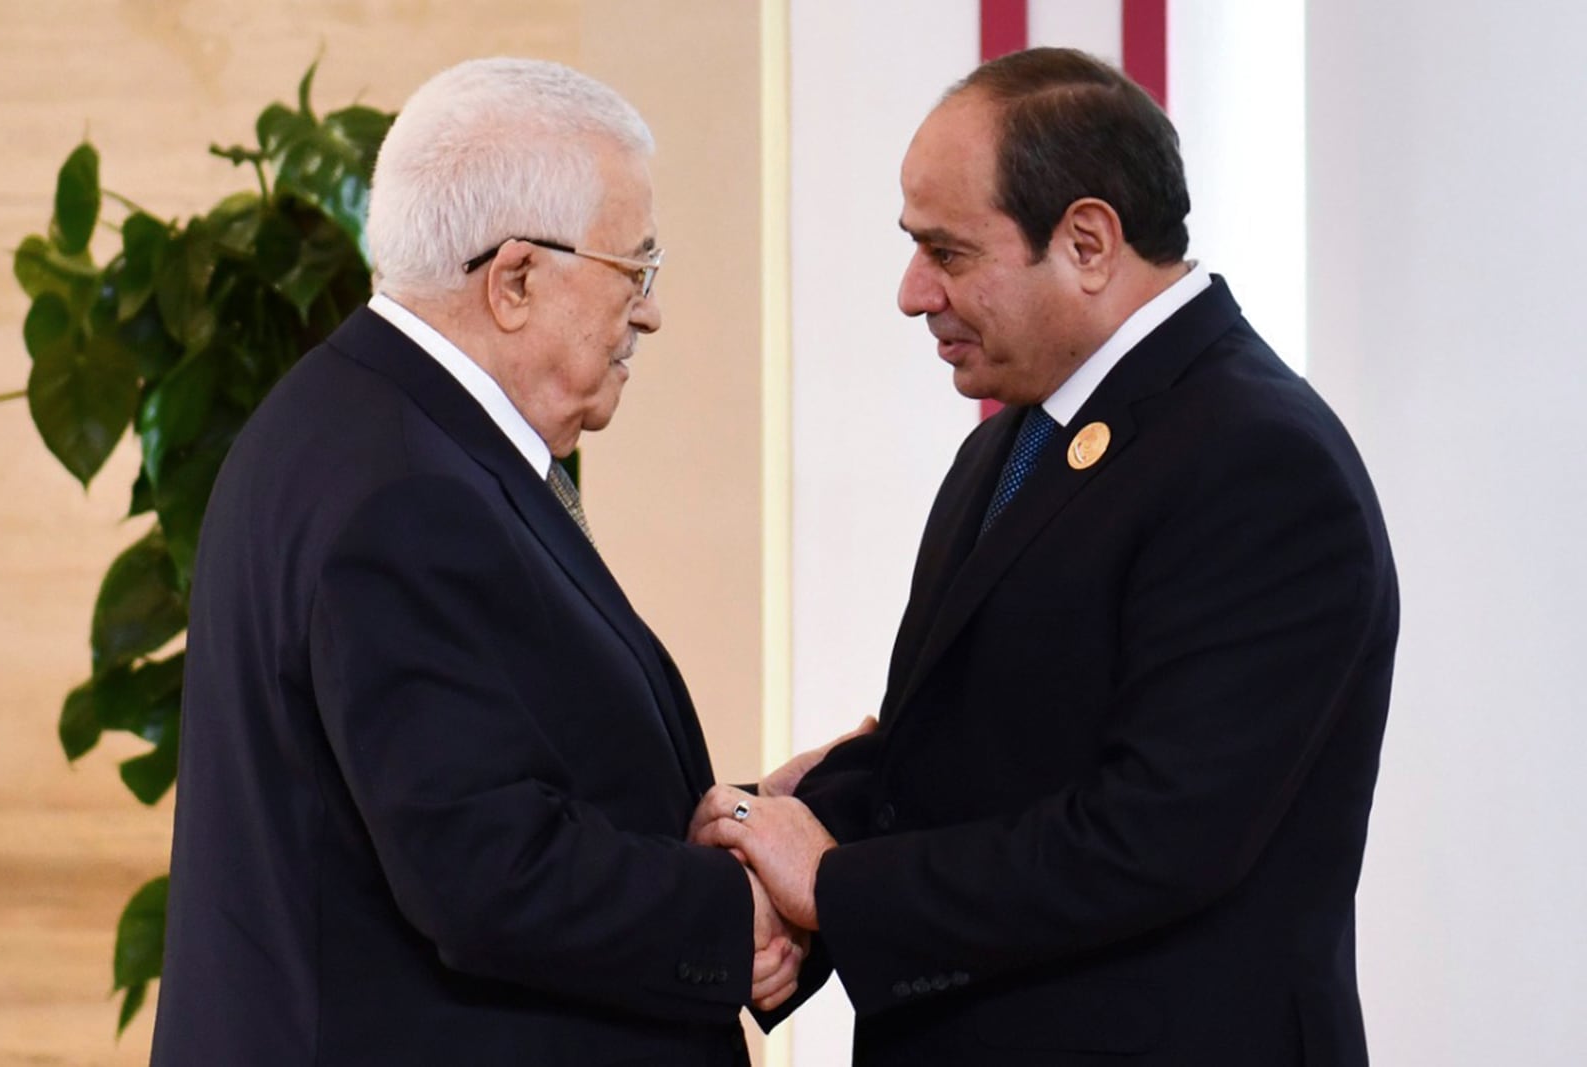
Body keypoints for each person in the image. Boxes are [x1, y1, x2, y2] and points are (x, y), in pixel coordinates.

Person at [692, 47, 1398, 1066]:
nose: (910, 291)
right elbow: (977, 742)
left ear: (1087, 241)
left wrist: (835, 885)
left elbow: (1152, 838)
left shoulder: (1258, 459)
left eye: (948, 251)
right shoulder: (1016, 435)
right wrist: (793, 825)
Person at [151, 57, 802, 1066]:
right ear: (514, 279)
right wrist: (734, 908)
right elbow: (482, 866)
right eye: (635, 270)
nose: (651, 314)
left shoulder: (363, 427)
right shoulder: (404, 491)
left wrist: (724, 824)